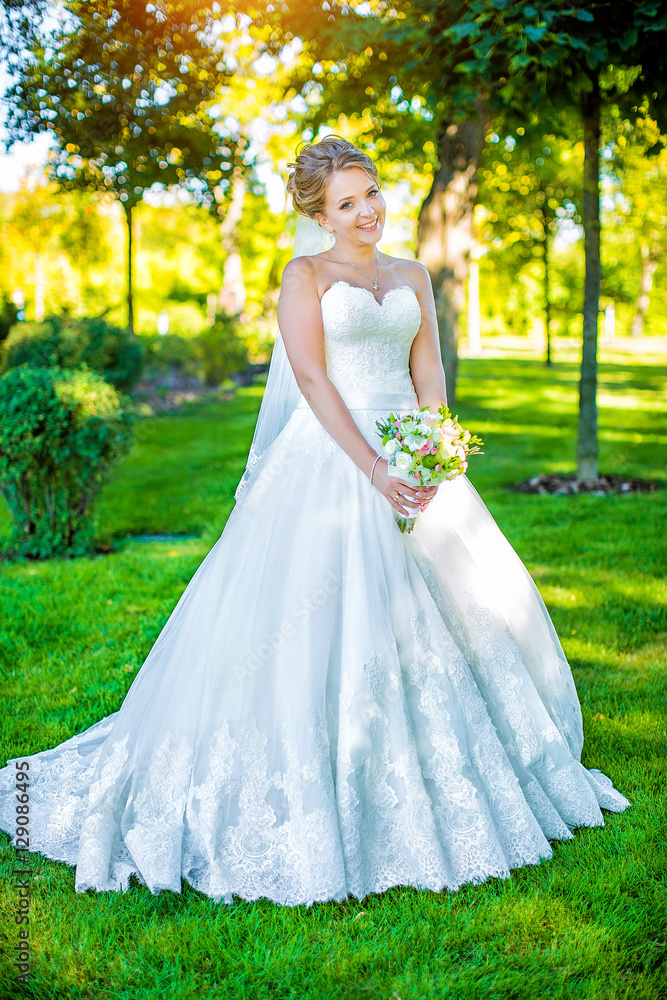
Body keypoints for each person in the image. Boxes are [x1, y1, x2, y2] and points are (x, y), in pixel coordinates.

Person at [0, 136, 630, 908]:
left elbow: (426, 366)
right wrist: (372, 467)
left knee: (462, 605)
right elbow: (309, 377)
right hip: (334, 455)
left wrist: (432, 445)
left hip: (414, 450)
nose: (366, 211)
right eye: (346, 203)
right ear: (318, 214)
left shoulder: (412, 274)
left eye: (370, 193)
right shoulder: (304, 278)